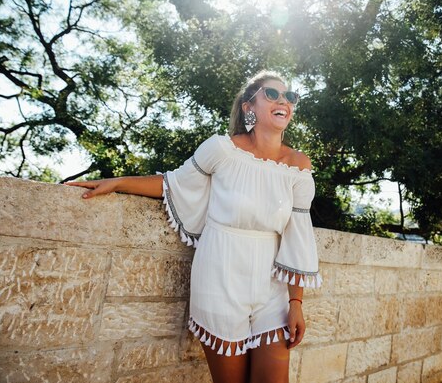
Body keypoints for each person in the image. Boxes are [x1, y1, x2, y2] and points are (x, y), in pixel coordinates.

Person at [65, 71, 322, 383]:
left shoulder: (299, 164)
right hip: (219, 280)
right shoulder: (221, 149)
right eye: (272, 94)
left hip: (273, 289)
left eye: (289, 97)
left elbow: (298, 237)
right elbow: (173, 183)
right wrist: (119, 182)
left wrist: (296, 303)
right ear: (248, 106)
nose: (283, 101)